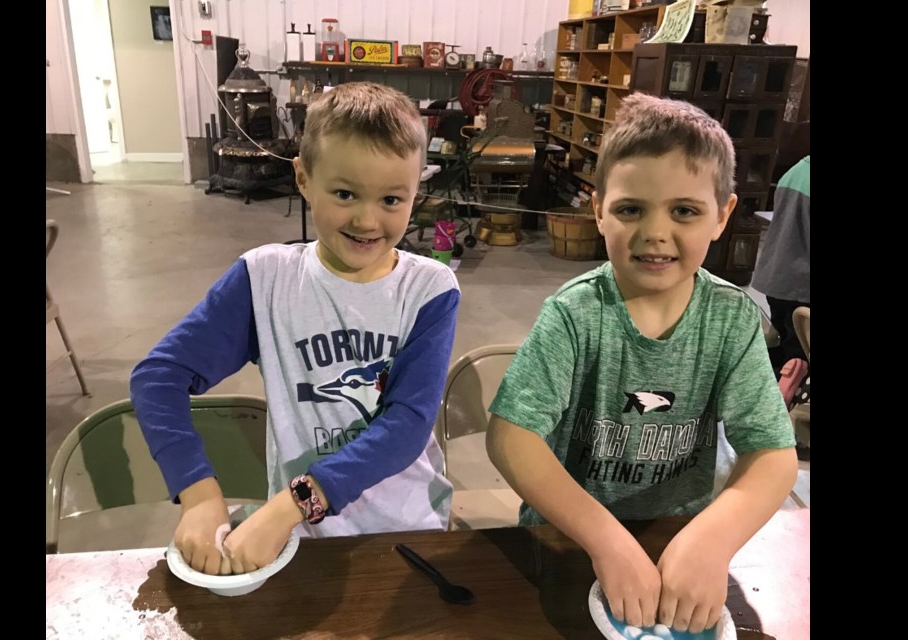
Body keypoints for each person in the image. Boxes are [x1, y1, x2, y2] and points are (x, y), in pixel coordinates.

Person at [486, 94, 797, 634]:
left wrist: (712, 540)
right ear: (599, 209)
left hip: (682, 539)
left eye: (684, 210)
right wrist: (605, 540)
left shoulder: (730, 319)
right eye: (631, 209)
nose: (656, 232)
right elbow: (510, 436)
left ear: (721, 216)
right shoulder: (575, 314)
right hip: (572, 539)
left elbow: (772, 454)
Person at [131, 82, 460, 577]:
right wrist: (198, 494)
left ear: (417, 191)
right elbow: (158, 376)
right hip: (296, 543)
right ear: (304, 179)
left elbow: (406, 426)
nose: (368, 220)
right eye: (345, 193)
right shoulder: (263, 280)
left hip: (406, 530)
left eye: (392, 199)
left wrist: (290, 505)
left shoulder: (430, 289)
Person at [751, 155, 810, 373]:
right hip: (803, 289)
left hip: (778, 278)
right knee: (797, 366)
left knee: (783, 358)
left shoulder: (796, 171)